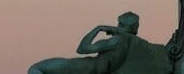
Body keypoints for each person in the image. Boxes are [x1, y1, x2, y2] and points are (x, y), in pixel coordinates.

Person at [28, 12, 170, 74]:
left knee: (35, 68)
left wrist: (99, 28)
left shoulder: (118, 40)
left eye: (119, 24)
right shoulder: (137, 45)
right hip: (85, 67)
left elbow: (82, 48)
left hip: (82, 68)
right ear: (135, 28)